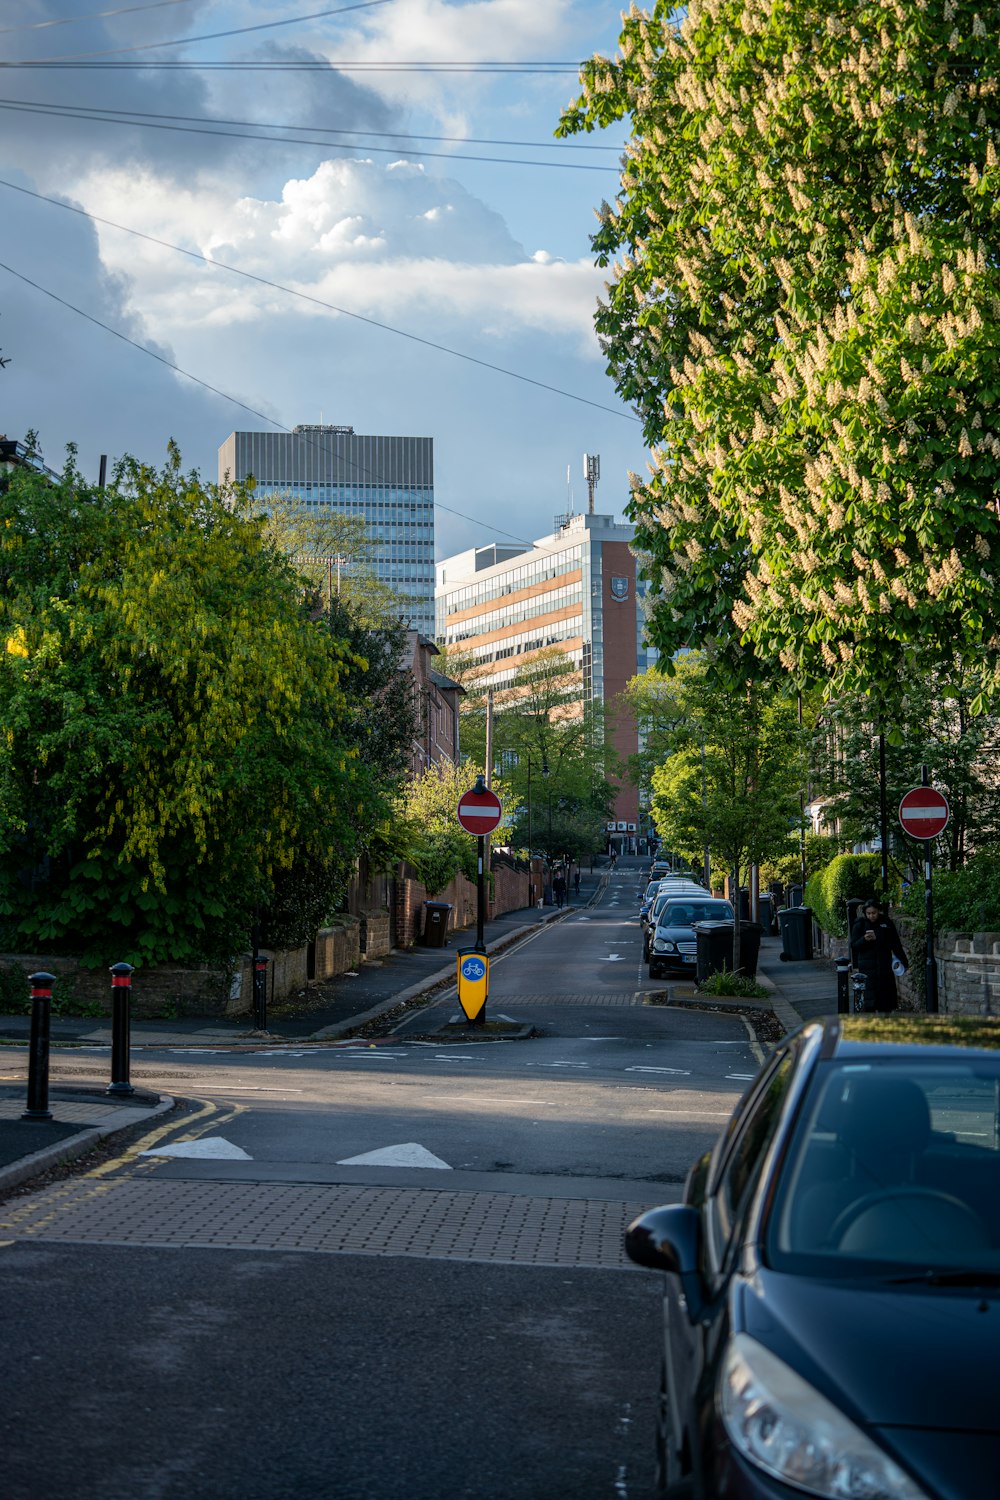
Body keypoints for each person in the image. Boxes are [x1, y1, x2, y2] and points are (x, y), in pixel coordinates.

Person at [850, 899, 908, 1012]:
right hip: (867, 967)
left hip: (884, 965)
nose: (871, 916)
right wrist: (864, 940)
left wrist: (904, 961)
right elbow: (854, 945)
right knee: (869, 1000)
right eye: (869, 913)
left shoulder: (886, 923)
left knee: (885, 1000)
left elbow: (895, 943)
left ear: (878, 911)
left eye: (874, 913)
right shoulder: (860, 924)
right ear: (865, 913)